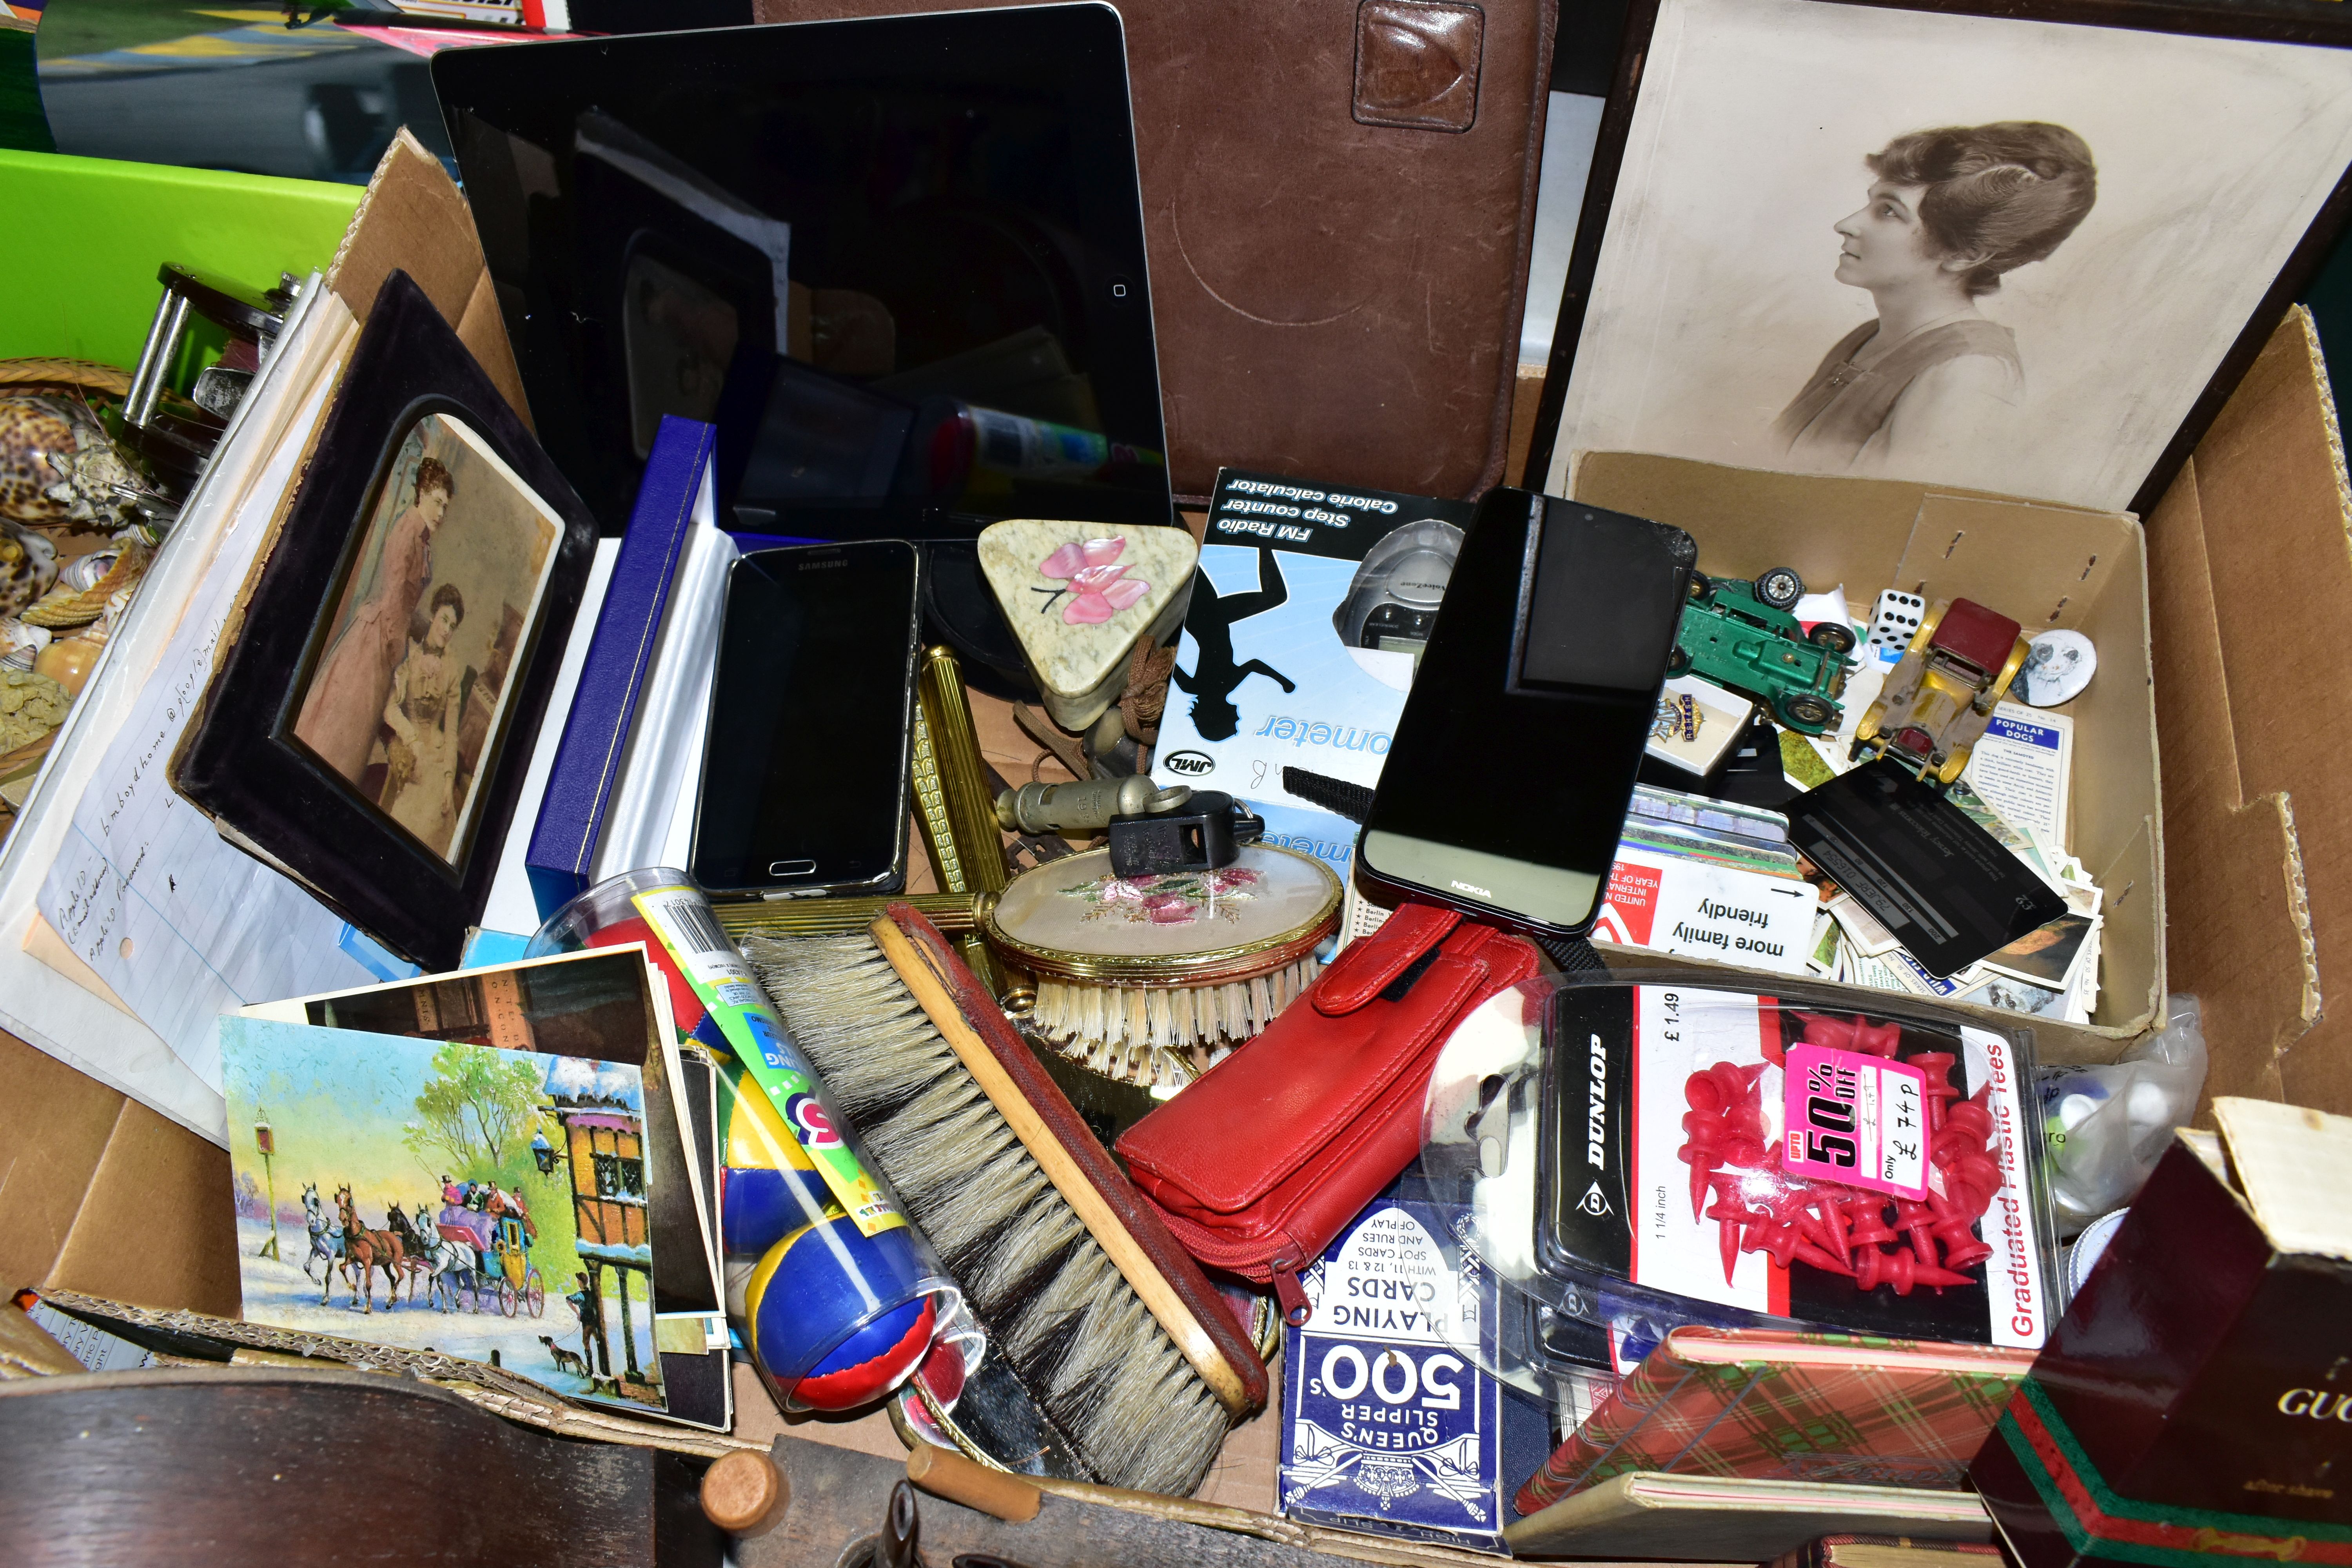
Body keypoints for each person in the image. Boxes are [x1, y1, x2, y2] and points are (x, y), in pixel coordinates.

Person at [1774, 123, 2096, 473]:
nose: (1846, 224)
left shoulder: (1967, 371)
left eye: (1888, 211)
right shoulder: (1867, 337)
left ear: (1965, 254)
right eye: (1871, 203)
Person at [294, 456, 453, 782]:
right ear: (421, 493)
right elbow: (395, 596)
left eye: (446, 507)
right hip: (376, 639)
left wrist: (426, 629)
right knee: (344, 721)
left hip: (387, 639)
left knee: (358, 726)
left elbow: (407, 604)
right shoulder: (407, 530)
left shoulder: (423, 542)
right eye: (437, 502)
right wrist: (398, 650)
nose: (441, 513)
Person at [380, 583, 467, 854]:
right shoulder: (411, 653)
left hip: (438, 760)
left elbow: (452, 733)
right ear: (433, 615)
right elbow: (390, 709)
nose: (446, 630)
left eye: (453, 626)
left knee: (439, 820)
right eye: (444, 620)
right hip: (412, 748)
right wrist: (412, 738)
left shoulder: (452, 671)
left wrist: (448, 781)